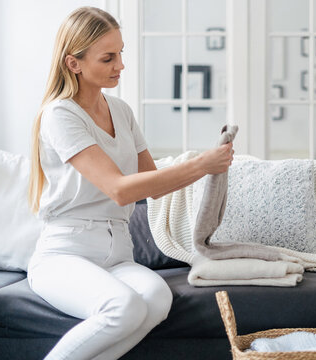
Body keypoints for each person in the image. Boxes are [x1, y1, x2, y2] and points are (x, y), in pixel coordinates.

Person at [27, 6, 234, 360]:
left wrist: (206, 165)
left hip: (119, 254)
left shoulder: (120, 110)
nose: (120, 65)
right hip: (65, 254)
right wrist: (202, 164)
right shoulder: (59, 114)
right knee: (123, 306)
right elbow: (120, 188)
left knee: (156, 300)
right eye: (108, 57)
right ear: (73, 63)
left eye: (120, 53)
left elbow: (151, 184)